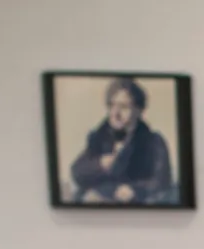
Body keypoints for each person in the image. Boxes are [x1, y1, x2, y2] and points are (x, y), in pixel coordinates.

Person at [69, 77, 176, 205]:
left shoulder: (153, 142)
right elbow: (77, 172)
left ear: (139, 110)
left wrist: (136, 189)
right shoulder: (99, 138)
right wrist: (100, 165)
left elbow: (161, 181)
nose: (116, 113)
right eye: (112, 105)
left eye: (123, 106)